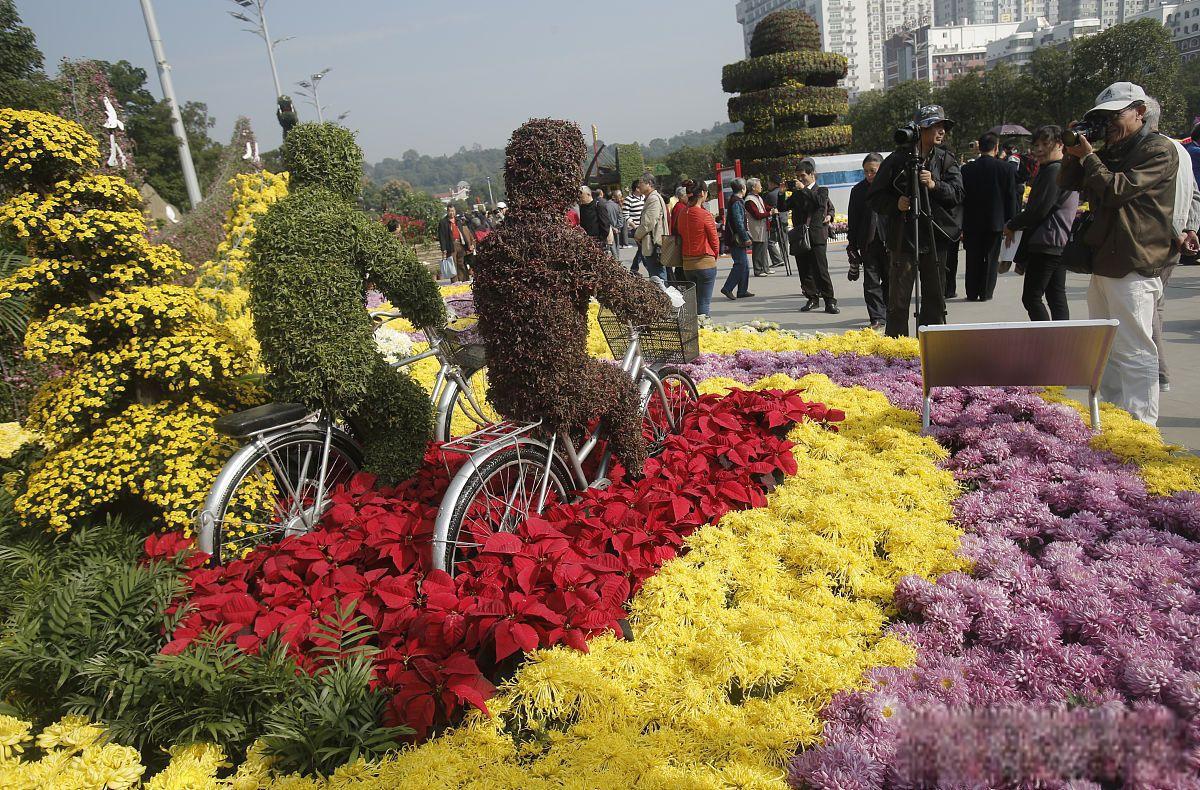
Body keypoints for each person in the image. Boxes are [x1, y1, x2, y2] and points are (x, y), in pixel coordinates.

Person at [1059, 82, 1178, 425]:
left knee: (1135, 350)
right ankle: (1111, 418)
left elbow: (1117, 190)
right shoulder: (1111, 150)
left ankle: (1140, 427)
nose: (1108, 123)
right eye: (1101, 118)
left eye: (1115, 115)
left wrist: (1090, 157)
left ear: (1140, 112)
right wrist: (1073, 152)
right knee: (1107, 350)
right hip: (1104, 261)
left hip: (1133, 263)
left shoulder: (1159, 149)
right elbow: (1068, 183)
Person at [867, 104, 964, 338]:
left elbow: (958, 194)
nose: (941, 131)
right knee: (898, 301)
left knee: (934, 298)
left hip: (934, 236)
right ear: (919, 129)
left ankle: (933, 346)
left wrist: (934, 185)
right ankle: (897, 349)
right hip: (903, 238)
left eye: (943, 127)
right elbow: (874, 197)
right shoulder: (897, 159)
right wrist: (895, 203)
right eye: (935, 126)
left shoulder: (945, 159)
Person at [1143, 98, 1200, 393]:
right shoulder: (1180, 148)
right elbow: (1194, 195)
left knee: (1148, 305)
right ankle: (1157, 370)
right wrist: (1190, 228)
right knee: (1157, 305)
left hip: (1156, 240)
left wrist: (1185, 229)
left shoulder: (1154, 151)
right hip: (1175, 238)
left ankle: (1158, 371)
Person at [1003, 125, 1079, 322]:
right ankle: (1061, 340)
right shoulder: (1058, 168)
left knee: (1031, 298)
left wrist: (1012, 224)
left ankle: (1048, 339)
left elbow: (1038, 210)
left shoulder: (1054, 170)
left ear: (1061, 144)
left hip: (1048, 242)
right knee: (1055, 296)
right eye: (1036, 145)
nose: (1039, 149)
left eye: (1046, 144)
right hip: (1056, 242)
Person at [960, 133, 1018, 302]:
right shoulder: (1005, 168)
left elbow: (962, 197)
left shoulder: (967, 169)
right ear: (996, 147)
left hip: (971, 221)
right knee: (991, 258)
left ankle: (971, 292)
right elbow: (1011, 197)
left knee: (973, 257)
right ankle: (986, 292)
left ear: (979, 147)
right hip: (996, 221)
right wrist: (1011, 222)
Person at [787, 159, 837, 313]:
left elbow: (820, 204)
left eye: (802, 175)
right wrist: (782, 193)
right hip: (800, 236)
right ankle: (812, 298)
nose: (800, 179)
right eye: (797, 176)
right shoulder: (797, 193)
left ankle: (830, 301)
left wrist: (804, 189)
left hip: (816, 235)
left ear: (812, 174)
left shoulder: (821, 190)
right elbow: (783, 206)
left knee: (821, 270)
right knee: (804, 270)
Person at [847, 152, 888, 329]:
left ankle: (888, 311)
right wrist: (852, 244)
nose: (869, 175)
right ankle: (877, 317)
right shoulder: (857, 191)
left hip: (890, 241)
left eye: (873, 171)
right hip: (868, 242)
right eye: (866, 172)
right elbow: (853, 219)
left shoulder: (891, 187)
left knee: (890, 280)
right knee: (871, 282)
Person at [678, 181, 720, 316]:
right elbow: (714, 240)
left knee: (694, 302)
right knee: (704, 302)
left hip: (688, 264)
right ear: (702, 193)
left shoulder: (682, 213)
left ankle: (694, 330)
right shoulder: (704, 214)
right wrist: (715, 256)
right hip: (705, 261)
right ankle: (704, 330)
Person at [720, 177, 754, 301]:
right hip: (737, 239)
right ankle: (728, 288)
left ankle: (742, 290)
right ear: (743, 188)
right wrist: (745, 237)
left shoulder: (735, 200)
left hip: (736, 237)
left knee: (744, 265)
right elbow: (738, 222)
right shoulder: (736, 201)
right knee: (740, 264)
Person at [634, 174, 669, 280]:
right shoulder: (652, 197)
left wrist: (637, 235)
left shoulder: (653, 199)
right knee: (657, 276)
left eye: (641, 183)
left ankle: (664, 296)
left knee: (658, 278)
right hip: (655, 244)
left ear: (649, 184)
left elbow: (648, 223)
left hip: (655, 245)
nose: (638, 186)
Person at [438, 205, 475, 283]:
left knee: (461, 263)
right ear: (447, 212)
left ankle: (464, 280)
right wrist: (443, 248)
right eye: (450, 211)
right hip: (451, 245)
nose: (452, 213)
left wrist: (468, 244)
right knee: (453, 264)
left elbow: (462, 232)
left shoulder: (458, 220)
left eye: (453, 211)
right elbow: (442, 237)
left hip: (460, 243)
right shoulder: (443, 222)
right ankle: (455, 282)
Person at [745, 178, 771, 276]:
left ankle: (765, 268)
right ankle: (758, 270)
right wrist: (770, 213)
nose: (761, 187)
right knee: (758, 249)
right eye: (759, 185)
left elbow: (765, 207)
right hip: (756, 227)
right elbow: (756, 215)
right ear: (753, 187)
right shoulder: (749, 200)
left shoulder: (758, 197)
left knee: (763, 248)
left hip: (762, 226)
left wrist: (771, 208)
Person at [764, 175, 788, 269]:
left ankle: (777, 260)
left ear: (773, 183)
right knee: (784, 241)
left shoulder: (770, 195)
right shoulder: (783, 192)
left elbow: (766, 208)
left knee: (770, 241)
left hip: (775, 220)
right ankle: (784, 259)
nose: (768, 184)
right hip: (784, 219)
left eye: (769, 183)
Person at [623, 181, 646, 272]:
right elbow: (625, 215)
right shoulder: (628, 199)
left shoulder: (644, 198)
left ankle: (634, 268)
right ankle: (647, 267)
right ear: (637, 188)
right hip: (635, 228)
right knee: (643, 248)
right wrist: (634, 226)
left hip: (644, 227)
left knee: (642, 249)